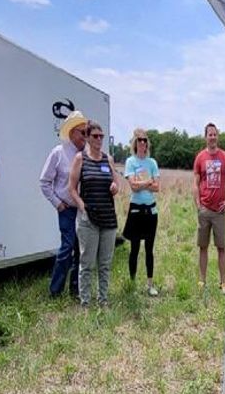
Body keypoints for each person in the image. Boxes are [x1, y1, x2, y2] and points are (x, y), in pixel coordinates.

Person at [67, 121, 120, 308]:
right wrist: (82, 206)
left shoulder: (109, 160)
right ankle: (85, 302)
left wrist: (115, 187)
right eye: (95, 136)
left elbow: (116, 184)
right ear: (88, 137)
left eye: (101, 136)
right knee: (87, 263)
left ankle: (103, 300)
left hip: (108, 218)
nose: (99, 139)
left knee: (105, 263)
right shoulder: (80, 159)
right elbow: (71, 188)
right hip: (88, 219)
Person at [40, 109, 86, 298]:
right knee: (67, 248)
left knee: (80, 250)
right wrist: (57, 203)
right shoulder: (58, 153)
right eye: (82, 132)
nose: (85, 136)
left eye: (87, 132)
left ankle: (75, 290)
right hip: (66, 208)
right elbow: (44, 181)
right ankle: (55, 291)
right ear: (72, 132)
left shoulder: (87, 154)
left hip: (82, 209)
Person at [193, 122, 225, 292]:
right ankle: (202, 281)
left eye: (214, 134)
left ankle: (223, 282)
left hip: (219, 211)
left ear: (218, 136)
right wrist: (198, 204)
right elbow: (195, 183)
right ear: (205, 137)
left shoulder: (224, 157)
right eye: (209, 134)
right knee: (203, 247)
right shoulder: (200, 157)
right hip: (204, 209)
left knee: (221, 248)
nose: (212, 137)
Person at [123, 127, 161, 296]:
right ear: (135, 143)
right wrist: (148, 183)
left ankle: (150, 284)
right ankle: (132, 283)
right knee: (135, 248)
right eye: (139, 140)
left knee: (149, 249)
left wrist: (142, 183)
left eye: (145, 140)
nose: (143, 143)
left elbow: (157, 187)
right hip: (136, 210)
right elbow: (133, 186)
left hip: (151, 211)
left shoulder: (152, 163)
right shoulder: (130, 162)